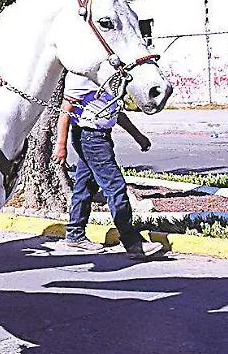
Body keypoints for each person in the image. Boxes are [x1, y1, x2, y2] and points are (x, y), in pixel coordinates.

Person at [54, 73, 163, 259]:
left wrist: (138, 136)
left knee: (85, 186)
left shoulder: (106, 77)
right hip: (90, 137)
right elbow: (66, 111)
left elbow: (115, 112)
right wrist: (60, 145)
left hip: (99, 136)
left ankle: (75, 234)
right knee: (115, 186)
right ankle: (132, 242)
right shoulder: (81, 76)